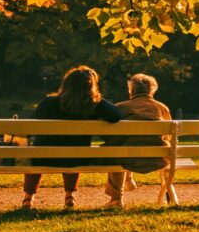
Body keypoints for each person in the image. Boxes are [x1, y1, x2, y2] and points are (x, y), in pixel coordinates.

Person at [22, 66, 122, 210]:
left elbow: (29, 126)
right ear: (91, 86)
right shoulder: (94, 105)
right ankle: (70, 196)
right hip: (77, 158)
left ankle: (28, 198)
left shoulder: (49, 103)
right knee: (73, 151)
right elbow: (116, 115)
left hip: (43, 157)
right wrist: (97, 99)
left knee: (36, 152)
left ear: (66, 83)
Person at [105, 73, 171, 206]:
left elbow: (109, 135)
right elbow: (168, 136)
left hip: (126, 158)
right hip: (158, 159)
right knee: (126, 147)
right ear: (152, 90)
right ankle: (129, 180)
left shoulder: (121, 107)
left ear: (132, 90)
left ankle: (116, 199)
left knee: (115, 151)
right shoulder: (162, 108)